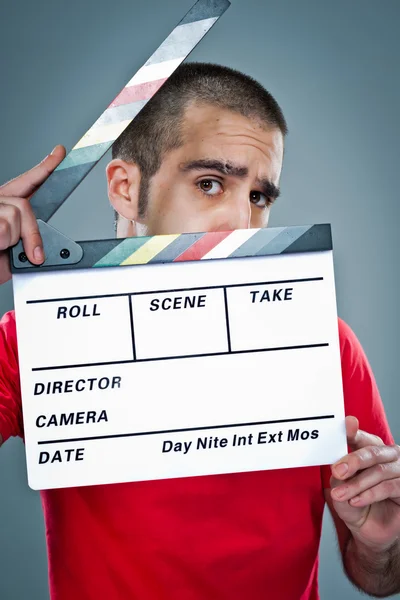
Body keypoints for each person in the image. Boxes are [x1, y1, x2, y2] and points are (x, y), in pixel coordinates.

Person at [0, 62, 399, 600]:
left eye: (259, 197)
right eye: (210, 183)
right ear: (125, 187)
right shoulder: (34, 338)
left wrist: (380, 544)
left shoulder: (326, 344)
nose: (242, 220)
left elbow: (382, 576)